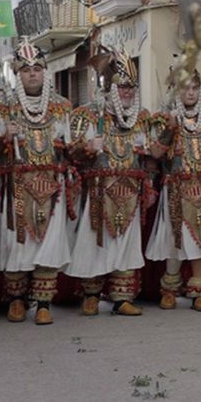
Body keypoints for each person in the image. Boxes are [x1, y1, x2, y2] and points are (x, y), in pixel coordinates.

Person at [0, 39, 74, 326]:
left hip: (52, 185)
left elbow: (71, 147)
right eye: (25, 69)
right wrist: (4, 138)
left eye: (37, 68)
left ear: (45, 72)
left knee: (49, 242)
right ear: (17, 74)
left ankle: (43, 302)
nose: (32, 74)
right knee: (18, 243)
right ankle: (16, 299)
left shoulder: (62, 106)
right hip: (17, 185)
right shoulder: (4, 107)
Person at [67, 56, 152, 317]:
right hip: (98, 192)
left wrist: (148, 184)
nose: (127, 92)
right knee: (93, 243)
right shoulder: (89, 114)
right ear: (111, 88)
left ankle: (121, 298)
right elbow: (71, 152)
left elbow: (147, 155)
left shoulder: (141, 118)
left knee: (126, 243)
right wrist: (87, 147)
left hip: (130, 192)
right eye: (122, 87)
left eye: (131, 87)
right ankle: (90, 295)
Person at [145, 64, 201, 312]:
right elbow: (155, 152)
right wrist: (170, 129)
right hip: (177, 186)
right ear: (176, 90)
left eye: (194, 87)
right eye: (185, 88)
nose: (190, 93)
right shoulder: (163, 117)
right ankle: (169, 288)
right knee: (174, 237)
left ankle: (199, 290)